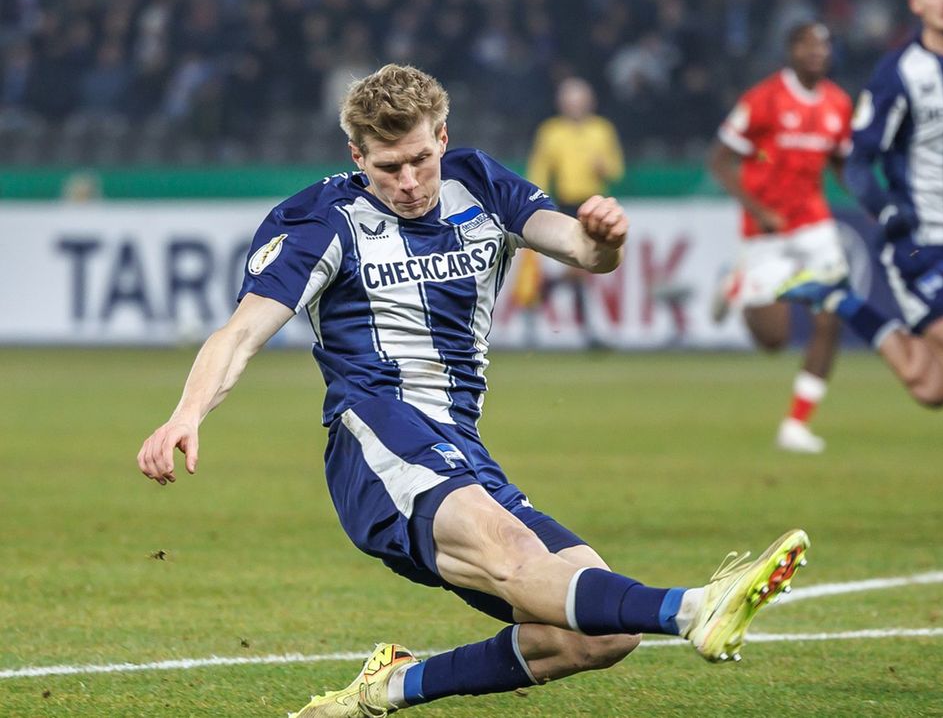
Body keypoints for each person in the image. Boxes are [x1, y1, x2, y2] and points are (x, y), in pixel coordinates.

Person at [135, 64, 809, 716]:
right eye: (388, 166)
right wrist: (185, 414)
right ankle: (695, 607)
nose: (408, 182)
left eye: (421, 159)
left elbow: (580, 250)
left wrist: (606, 239)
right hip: (377, 440)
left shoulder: (479, 184)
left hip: (462, 451)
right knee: (526, 563)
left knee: (598, 634)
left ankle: (389, 687)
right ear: (356, 156)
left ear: (443, 138)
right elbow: (241, 333)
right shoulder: (321, 220)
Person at [781, 0, 943, 531]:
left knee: (936, 386)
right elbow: (859, 162)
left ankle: (844, 304)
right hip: (915, 241)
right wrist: (886, 210)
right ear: (916, 3)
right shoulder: (898, 72)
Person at [708, 22, 854, 454]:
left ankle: (796, 424)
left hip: (814, 225)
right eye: (808, 45)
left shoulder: (838, 104)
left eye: (824, 45)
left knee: (831, 317)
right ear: (791, 50)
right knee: (773, 340)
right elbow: (719, 161)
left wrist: (873, 200)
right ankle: (734, 284)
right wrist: (758, 210)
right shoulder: (763, 100)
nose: (817, 52)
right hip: (765, 232)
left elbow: (842, 166)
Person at [525, 77, 624, 348]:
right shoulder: (551, 132)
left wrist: (602, 167)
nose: (575, 106)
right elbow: (540, 170)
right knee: (581, 269)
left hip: (594, 206)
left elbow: (616, 169)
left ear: (589, 102)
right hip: (566, 205)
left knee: (582, 270)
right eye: (570, 101)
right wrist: (534, 204)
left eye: (579, 100)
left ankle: (540, 300)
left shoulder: (602, 130)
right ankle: (588, 332)